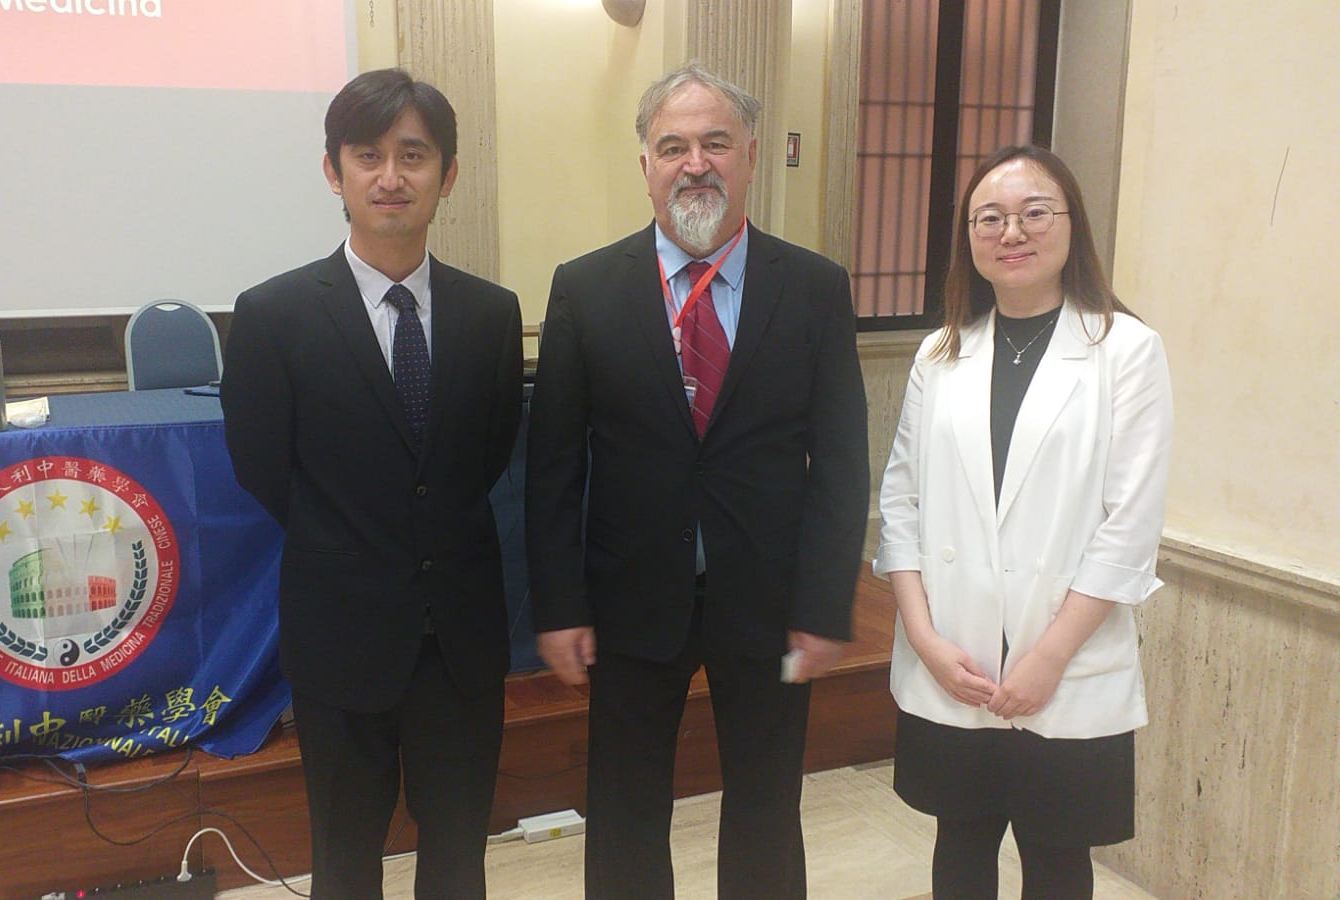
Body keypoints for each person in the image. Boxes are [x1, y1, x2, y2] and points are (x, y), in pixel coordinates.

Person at [525, 62, 870, 898]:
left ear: (750, 155)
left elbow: (844, 460)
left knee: (765, 802)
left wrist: (825, 606)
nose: (695, 162)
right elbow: (554, 467)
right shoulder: (586, 288)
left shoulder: (816, 288)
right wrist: (561, 606)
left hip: (768, 598)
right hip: (630, 598)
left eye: (715, 142)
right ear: (644, 164)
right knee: (625, 806)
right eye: (672, 145)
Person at [219, 68, 523, 899]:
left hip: (459, 640)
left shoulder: (492, 316)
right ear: (334, 172)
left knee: (459, 856)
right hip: (340, 635)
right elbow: (263, 468)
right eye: (368, 156)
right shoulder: (273, 316)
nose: (391, 177)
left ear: (447, 175)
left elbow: (485, 457)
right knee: (345, 862)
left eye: (413, 156)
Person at [873, 145, 1173, 899]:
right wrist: (925, 638)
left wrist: (1047, 658)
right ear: (970, 239)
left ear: (1071, 224)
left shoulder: (1125, 351)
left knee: (1057, 859)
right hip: (956, 659)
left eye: (1035, 212)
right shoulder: (942, 353)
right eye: (991, 218)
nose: (1013, 231)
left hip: (1065, 663)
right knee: (960, 847)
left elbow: (1128, 526)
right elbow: (900, 503)